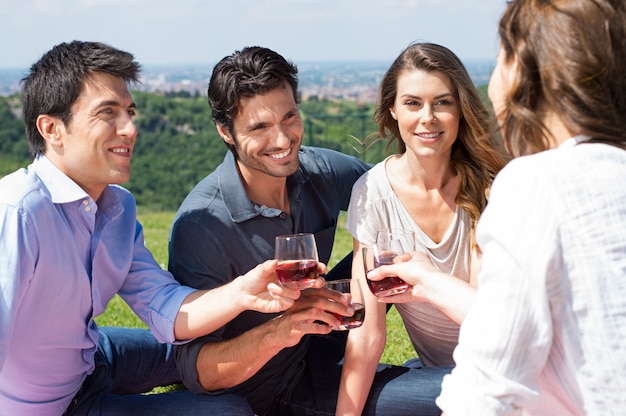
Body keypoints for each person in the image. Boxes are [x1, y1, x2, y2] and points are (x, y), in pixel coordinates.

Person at [0, 40, 312, 416]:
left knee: (198, 356)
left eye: (130, 112)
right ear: (52, 129)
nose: (130, 128)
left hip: (90, 358)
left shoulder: (117, 207)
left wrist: (242, 293)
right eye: (108, 113)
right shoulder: (17, 212)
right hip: (47, 406)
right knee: (227, 411)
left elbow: (163, 306)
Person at [370, 0, 626, 414]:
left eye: (501, 54)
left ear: (524, 73)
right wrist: (427, 279)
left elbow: (490, 385)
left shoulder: (533, 185)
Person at [167, 46, 428, 416]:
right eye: (259, 128)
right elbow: (198, 372)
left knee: (372, 254)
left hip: (320, 343)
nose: (282, 140)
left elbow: (395, 190)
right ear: (225, 132)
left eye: (289, 116)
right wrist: (281, 329)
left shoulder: (317, 170)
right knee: (455, 394)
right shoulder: (201, 226)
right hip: (270, 392)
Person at [337, 42, 508, 415]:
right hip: (439, 376)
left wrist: (428, 283)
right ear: (393, 110)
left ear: (461, 110)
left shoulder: (490, 189)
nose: (428, 117)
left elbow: (492, 324)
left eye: (442, 103)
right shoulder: (373, 193)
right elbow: (366, 334)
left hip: (504, 370)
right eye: (413, 103)